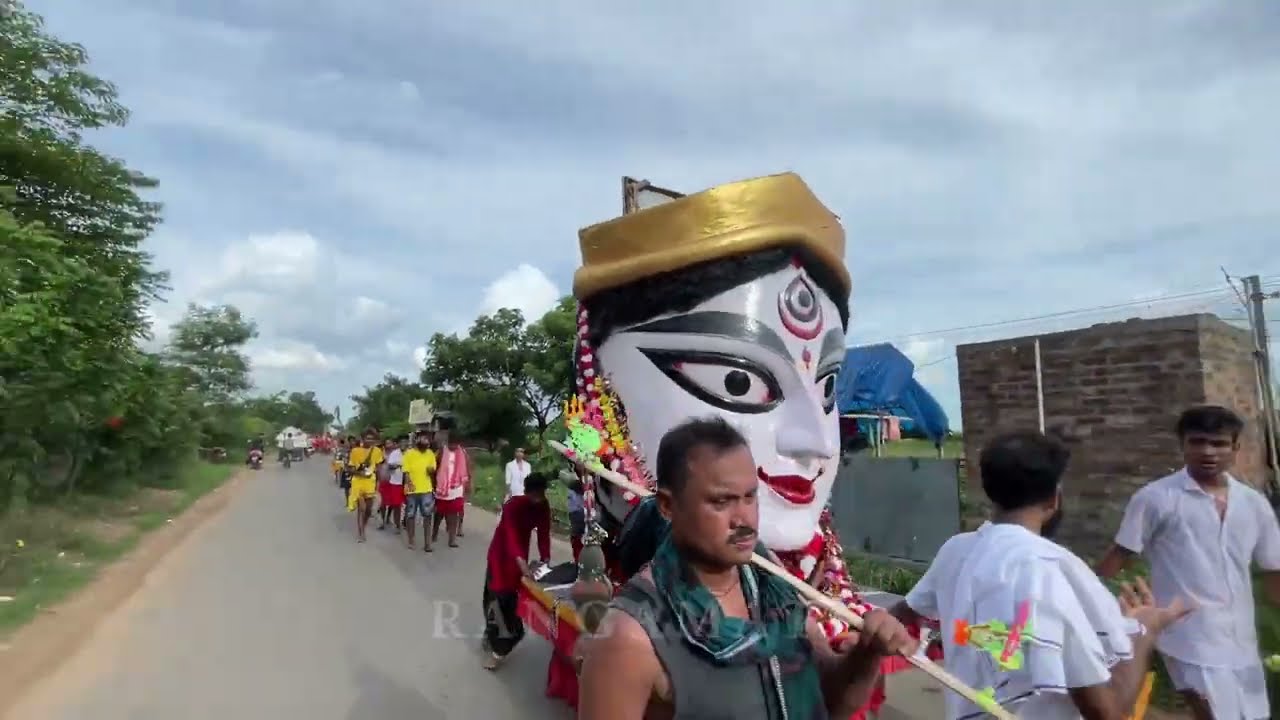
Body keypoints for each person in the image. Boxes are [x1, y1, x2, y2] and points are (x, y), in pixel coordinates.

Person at [579, 417, 916, 720]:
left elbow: (832, 704)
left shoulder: (776, 591)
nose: (744, 520)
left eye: (750, 497)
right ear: (668, 506)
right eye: (721, 501)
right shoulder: (632, 635)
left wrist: (866, 657)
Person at [890, 430, 1192, 720]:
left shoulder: (956, 551)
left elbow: (899, 616)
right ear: (1054, 498)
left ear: (989, 491)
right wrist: (1144, 630)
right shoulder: (1054, 569)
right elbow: (1107, 712)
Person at [1097, 406, 1280, 720]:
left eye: (1219, 443)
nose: (1208, 451)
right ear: (1182, 445)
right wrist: (1088, 608)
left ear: (1236, 448)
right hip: (1189, 638)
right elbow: (1117, 559)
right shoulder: (1155, 499)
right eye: (1197, 442)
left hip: (1242, 640)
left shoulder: (1254, 504)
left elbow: (1273, 570)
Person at [481, 471, 552, 671]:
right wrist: (523, 566)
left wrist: (545, 560)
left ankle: (501, 644)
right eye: (535, 495)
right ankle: (493, 636)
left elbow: (544, 534)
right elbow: (511, 538)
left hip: (520, 556)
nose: (538, 499)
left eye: (541, 494)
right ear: (527, 492)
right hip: (500, 556)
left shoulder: (543, 506)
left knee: (511, 601)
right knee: (495, 598)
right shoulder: (513, 505)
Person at [433, 424, 470, 548]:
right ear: (448, 441)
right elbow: (435, 467)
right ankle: (434, 533)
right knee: (439, 514)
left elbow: (468, 469)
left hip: (456, 488)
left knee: (454, 513)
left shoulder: (463, 453)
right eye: (451, 443)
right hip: (442, 487)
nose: (453, 446)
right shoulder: (442, 451)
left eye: (456, 443)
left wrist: (468, 484)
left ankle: (452, 539)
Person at [346, 429, 385, 543]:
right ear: (363, 439)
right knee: (361, 509)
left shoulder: (377, 451)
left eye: (372, 438)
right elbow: (350, 469)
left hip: (370, 483)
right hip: (358, 482)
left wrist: (378, 483)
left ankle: (363, 525)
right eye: (367, 438)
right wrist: (360, 473)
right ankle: (361, 533)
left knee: (368, 509)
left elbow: (378, 469)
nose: (369, 440)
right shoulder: (355, 451)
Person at [402, 431, 437, 552]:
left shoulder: (430, 454)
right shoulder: (409, 453)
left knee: (427, 516)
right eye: (423, 439)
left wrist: (431, 470)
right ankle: (411, 540)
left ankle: (427, 543)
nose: (426, 441)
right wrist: (408, 488)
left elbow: (433, 471)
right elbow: (406, 472)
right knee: (410, 515)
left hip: (426, 489)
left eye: (427, 440)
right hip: (412, 489)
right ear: (417, 440)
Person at [378, 438, 406, 532]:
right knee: (388, 503)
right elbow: (385, 466)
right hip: (388, 480)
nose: (389, 445)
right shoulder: (386, 454)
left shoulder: (410, 452)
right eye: (387, 443)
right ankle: (384, 521)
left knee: (399, 504)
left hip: (404, 482)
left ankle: (397, 521)